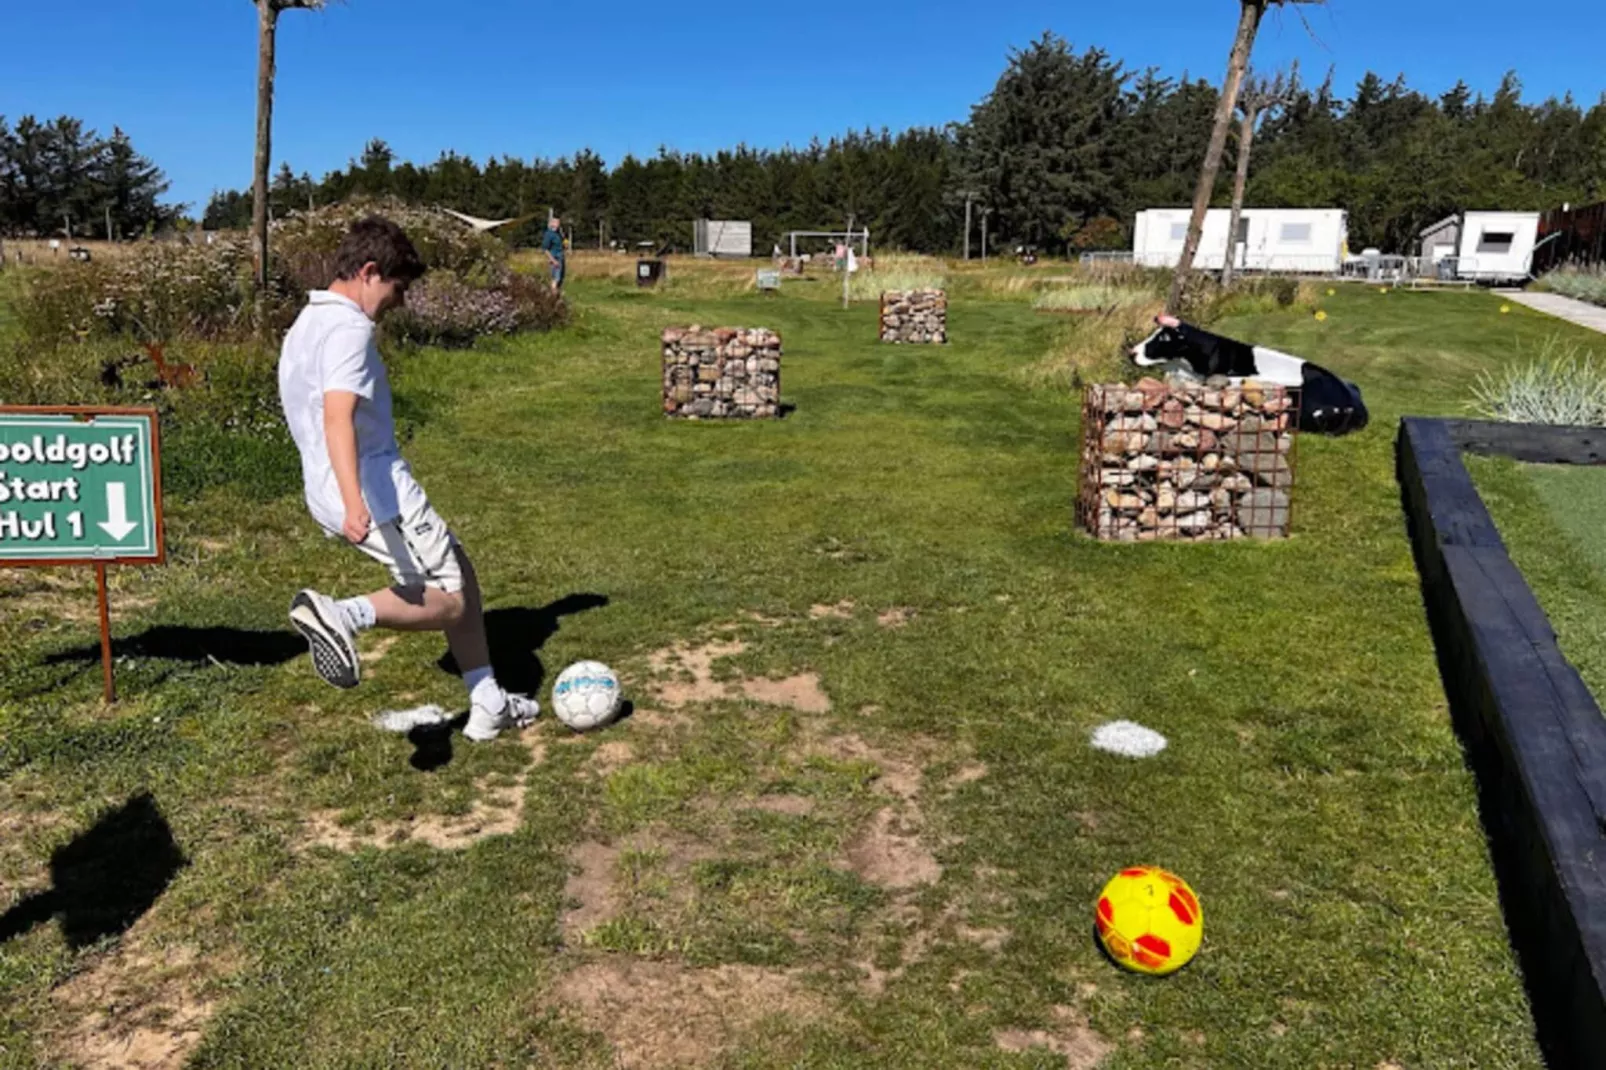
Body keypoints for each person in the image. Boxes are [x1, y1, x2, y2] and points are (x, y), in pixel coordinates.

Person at [279, 216, 539, 741]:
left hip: (339, 481)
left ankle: (487, 701)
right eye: (398, 288)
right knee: (451, 595)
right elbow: (337, 415)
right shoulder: (350, 328)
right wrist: (355, 502)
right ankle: (340, 615)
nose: (400, 301)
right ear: (370, 272)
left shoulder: (308, 322)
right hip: (374, 489)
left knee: (458, 564)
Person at [542, 216, 566, 294]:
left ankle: (556, 293)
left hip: (560, 256)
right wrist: (553, 260)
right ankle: (553, 294)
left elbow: (563, 243)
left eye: (559, 223)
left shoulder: (558, 234)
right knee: (556, 278)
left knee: (560, 278)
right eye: (557, 223)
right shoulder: (549, 234)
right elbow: (545, 249)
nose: (559, 225)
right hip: (554, 257)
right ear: (552, 224)